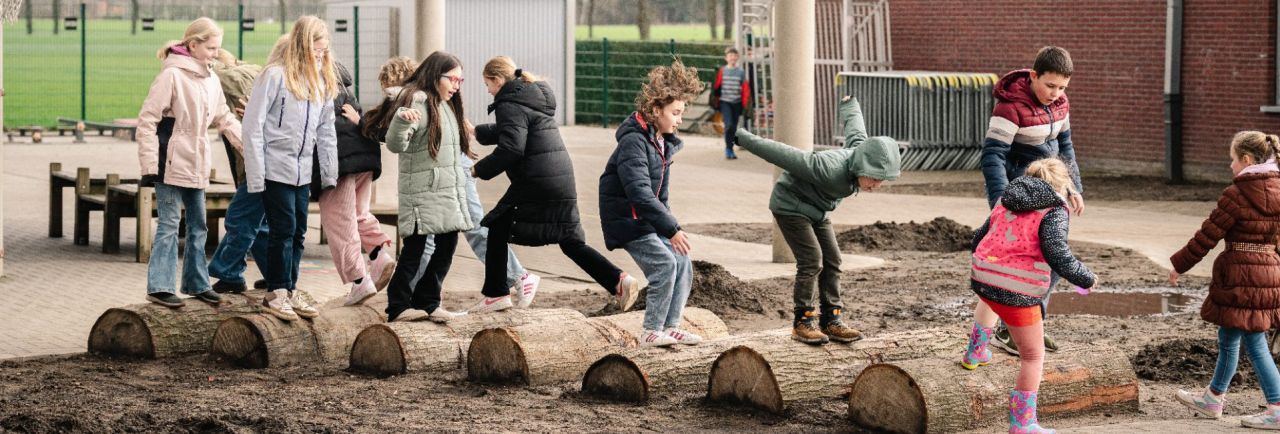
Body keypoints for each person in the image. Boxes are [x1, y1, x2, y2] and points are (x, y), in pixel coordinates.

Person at [470, 56, 641, 313]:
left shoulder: (508, 103)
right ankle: (618, 280)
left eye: (487, 85)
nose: (488, 91)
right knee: (570, 240)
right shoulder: (530, 97)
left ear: (497, 80)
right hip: (560, 177)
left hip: (535, 180)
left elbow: (512, 147)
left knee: (496, 227)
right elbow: (513, 129)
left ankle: (496, 294)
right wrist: (476, 132)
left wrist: (477, 170)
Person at [363, 57, 540, 307]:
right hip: (446, 170)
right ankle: (415, 296)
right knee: (432, 238)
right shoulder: (431, 99)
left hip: (453, 171)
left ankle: (518, 275)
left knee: (472, 227)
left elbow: (388, 129)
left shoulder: (416, 97)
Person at [734, 96, 900, 345]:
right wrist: (743, 137)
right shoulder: (827, 167)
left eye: (881, 180)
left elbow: (856, 131)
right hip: (790, 206)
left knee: (833, 260)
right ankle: (803, 323)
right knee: (811, 260)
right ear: (863, 167)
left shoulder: (860, 153)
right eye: (875, 178)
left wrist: (849, 105)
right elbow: (783, 155)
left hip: (818, 210)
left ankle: (832, 320)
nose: (877, 185)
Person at [959, 158, 1096, 434]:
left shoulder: (1007, 198)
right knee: (1033, 356)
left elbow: (979, 236)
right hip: (1019, 290)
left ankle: (975, 353)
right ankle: (1023, 423)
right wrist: (1086, 277)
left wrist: (989, 263)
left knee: (991, 298)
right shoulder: (1054, 209)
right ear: (1062, 184)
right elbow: (1057, 254)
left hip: (983, 275)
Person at [1170, 131, 1280, 430]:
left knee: (1254, 341)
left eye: (1232, 159)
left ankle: (1277, 407)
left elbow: (1208, 235)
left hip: (1240, 275)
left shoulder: (1237, 193)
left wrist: (1180, 265)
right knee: (1229, 335)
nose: (1230, 165)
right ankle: (1213, 398)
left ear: (1246, 159)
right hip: (1269, 272)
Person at [981, 46, 1084, 355]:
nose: (1056, 93)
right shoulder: (1010, 108)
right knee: (1026, 264)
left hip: (1051, 192)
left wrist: (1073, 187)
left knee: (1051, 262)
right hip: (1021, 196)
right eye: (1050, 85)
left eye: (1062, 87)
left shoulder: (1060, 104)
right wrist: (1001, 201)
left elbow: (1065, 147)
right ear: (1034, 76)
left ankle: (1030, 325)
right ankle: (1010, 329)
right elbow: (993, 156)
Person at [136, 17, 242, 308]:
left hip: (197, 161)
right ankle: (159, 287)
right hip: (169, 163)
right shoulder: (171, 75)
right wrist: (149, 166)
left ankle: (197, 283)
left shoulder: (211, 79)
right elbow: (147, 120)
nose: (216, 54)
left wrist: (249, 148)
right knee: (169, 223)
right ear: (193, 45)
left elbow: (224, 118)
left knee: (199, 225)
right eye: (211, 48)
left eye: (218, 48)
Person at [599, 61, 704, 347]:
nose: (679, 120)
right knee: (664, 266)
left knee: (682, 261)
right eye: (675, 113)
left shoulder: (662, 143)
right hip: (627, 220)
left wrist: (670, 228)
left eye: (681, 113)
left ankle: (671, 326)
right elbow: (640, 194)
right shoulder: (634, 142)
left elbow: (661, 198)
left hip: (644, 218)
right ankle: (650, 330)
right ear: (656, 110)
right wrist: (671, 229)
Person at [241, 16, 339, 321]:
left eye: (324, 51)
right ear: (302, 45)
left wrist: (329, 172)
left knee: (298, 232)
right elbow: (253, 125)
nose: (320, 56)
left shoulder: (321, 83)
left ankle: (291, 288)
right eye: (316, 50)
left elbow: (326, 130)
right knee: (282, 230)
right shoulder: (274, 76)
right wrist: (256, 175)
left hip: (302, 171)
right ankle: (276, 292)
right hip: (275, 168)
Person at [376, 51, 474, 323]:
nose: (456, 85)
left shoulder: (447, 106)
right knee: (414, 251)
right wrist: (401, 121)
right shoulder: (418, 102)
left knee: (447, 246)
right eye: (452, 79)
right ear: (435, 75)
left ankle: (428, 301)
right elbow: (396, 144)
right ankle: (398, 306)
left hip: (446, 193)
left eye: (460, 80)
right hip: (422, 193)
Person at [209, 36, 289, 295]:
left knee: (240, 217)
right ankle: (277, 276)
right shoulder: (259, 73)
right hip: (271, 164)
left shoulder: (228, 77)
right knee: (260, 223)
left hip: (260, 163)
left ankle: (229, 272)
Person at [315, 59, 397, 306]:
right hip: (364, 154)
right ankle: (379, 254)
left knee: (339, 222)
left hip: (338, 161)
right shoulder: (342, 85)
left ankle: (359, 280)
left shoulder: (310, 83)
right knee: (358, 213)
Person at [711, 47, 750, 160]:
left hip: (737, 103)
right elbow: (716, 86)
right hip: (725, 102)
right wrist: (715, 100)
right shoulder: (722, 71)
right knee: (728, 125)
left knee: (733, 127)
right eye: (730, 56)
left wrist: (745, 104)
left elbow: (745, 88)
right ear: (726, 58)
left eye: (734, 56)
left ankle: (730, 148)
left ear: (737, 57)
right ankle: (728, 149)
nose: (732, 58)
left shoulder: (741, 72)